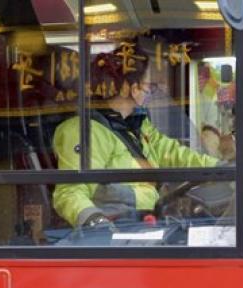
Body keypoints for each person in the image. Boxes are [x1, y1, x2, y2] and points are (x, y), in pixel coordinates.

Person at [52, 43, 218, 228]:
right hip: (115, 230)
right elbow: (69, 191)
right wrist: (95, 222)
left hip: (147, 220)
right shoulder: (86, 131)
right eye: (149, 86)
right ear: (127, 88)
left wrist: (218, 167)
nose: (151, 93)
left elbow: (170, 151)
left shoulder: (136, 125)